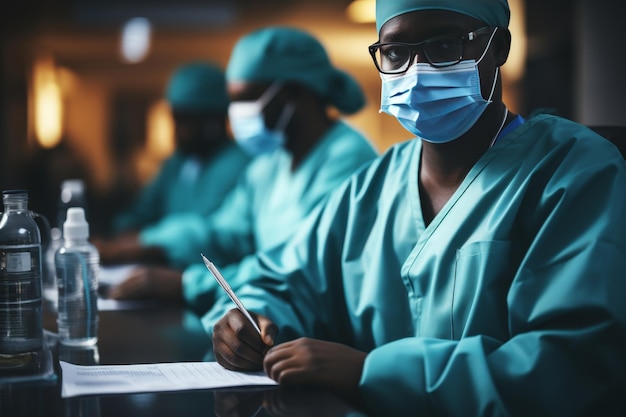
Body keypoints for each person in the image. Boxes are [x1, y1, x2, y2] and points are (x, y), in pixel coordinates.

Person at [207, 1, 626, 416]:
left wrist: (371, 372)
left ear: (498, 48)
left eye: (444, 45)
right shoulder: (370, 188)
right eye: (395, 52)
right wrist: (252, 320)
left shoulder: (572, 171)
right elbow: (284, 279)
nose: (417, 69)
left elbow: (570, 364)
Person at [105, 27, 378, 312]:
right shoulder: (270, 164)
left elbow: (297, 264)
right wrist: (150, 243)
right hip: (282, 315)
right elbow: (224, 233)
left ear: (294, 92)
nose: (235, 113)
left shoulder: (348, 159)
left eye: (246, 98)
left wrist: (188, 284)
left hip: (329, 328)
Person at [96, 62, 251, 265]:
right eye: (174, 119)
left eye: (185, 121)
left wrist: (139, 245)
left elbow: (205, 235)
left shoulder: (238, 165)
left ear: (214, 121)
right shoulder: (176, 164)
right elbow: (139, 213)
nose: (176, 131)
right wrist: (121, 240)